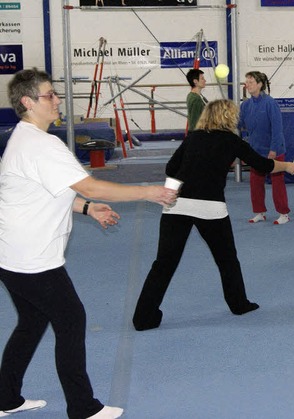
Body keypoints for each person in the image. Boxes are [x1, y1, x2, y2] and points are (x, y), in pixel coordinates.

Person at [0, 69, 177, 418]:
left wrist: (85, 208)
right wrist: (149, 192)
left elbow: (51, 190)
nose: (57, 100)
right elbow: (91, 185)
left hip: (12, 255)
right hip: (32, 258)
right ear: (27, 102)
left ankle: (5, 398)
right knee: (71, 319)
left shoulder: (22, 139)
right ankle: (82, 408)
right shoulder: (41, 144)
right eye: (49, 95)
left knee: (32, 322)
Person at [132, 99, 294, 331]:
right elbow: (262, 165)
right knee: (227, 259)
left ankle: (142, 318)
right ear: (228, 117)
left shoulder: (192, 137)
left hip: (177, 205)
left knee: (163, 263)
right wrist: (288, 166)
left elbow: (171, 168)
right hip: (210, 208)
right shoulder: (231, 141)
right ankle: (239, 304)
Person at [239, 71, 292, 225]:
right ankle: (260, 212)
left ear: (260, 84)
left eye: (251, 82)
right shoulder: (245, 105)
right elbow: (240, 126)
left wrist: (273, 150)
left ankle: (283, 214)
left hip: (274, 150)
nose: (247, 85)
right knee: (255, 182)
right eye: (246, 82)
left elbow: (277, 129)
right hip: (255, 150)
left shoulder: (270, 103)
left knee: (277, 182)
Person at [185, 68, 207, 132]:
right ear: (195, 81)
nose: (205, 80)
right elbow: (196, 120)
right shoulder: (196, 99)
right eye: (202, 78)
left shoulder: (191, 95)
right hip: (197, 133)